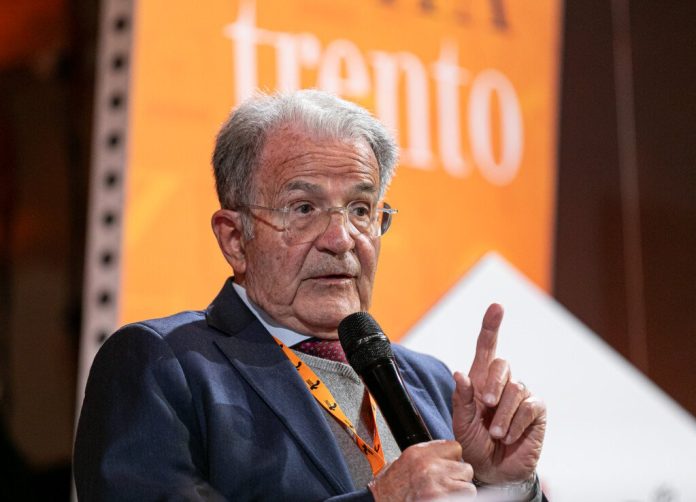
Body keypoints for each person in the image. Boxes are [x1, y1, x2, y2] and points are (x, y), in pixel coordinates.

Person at [74, 89, 547, 501]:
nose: (341, 239)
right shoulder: (164, 365)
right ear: (235, 239)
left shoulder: (434, 384)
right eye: (303, 208)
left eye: (360, 209)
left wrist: (506, 485)